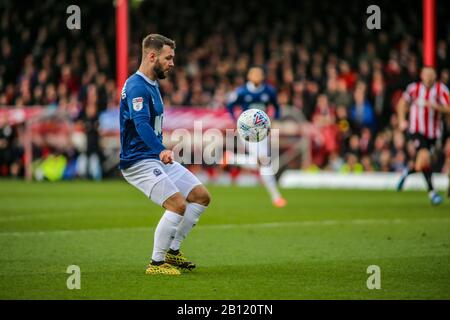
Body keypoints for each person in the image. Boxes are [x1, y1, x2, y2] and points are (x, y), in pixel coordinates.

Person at [119, 34, 211, 275]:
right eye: (168, 58)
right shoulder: (137, 86)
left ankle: (173, 250)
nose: (172, 63)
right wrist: (160, 149)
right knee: (177, 204)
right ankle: (156, 263)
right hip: (138, 160)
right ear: (152, 56)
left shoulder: (152, 83)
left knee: (200, 196)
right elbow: (140, 124)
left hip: (154, 155)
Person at [226, 66, 287, 208]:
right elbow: (230, 106)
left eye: (259, 74)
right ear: (249, 76)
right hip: (247, 131)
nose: (256, 77)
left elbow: (277, 107)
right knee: (264, 162)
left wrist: (274, 120)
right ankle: (276, 197)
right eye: (254, 74)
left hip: (263, 131)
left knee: (262, 162)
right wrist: (236, 120)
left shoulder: (269, 91)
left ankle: (231, 158)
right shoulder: (242, 92)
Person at [396, 66, 450, 205]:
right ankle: (432, 193)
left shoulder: (441, 90)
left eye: (431, 74)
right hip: (417, 131)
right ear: (421, 75)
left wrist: (435, 106)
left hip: (434, 133)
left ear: (435, 76)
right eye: (426, 74)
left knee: (422, 165)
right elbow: (402, 103)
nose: (428, 77)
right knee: (424, 157)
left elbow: (448, 108)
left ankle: (407, 172)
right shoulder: (413, 88)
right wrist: (402, 120)